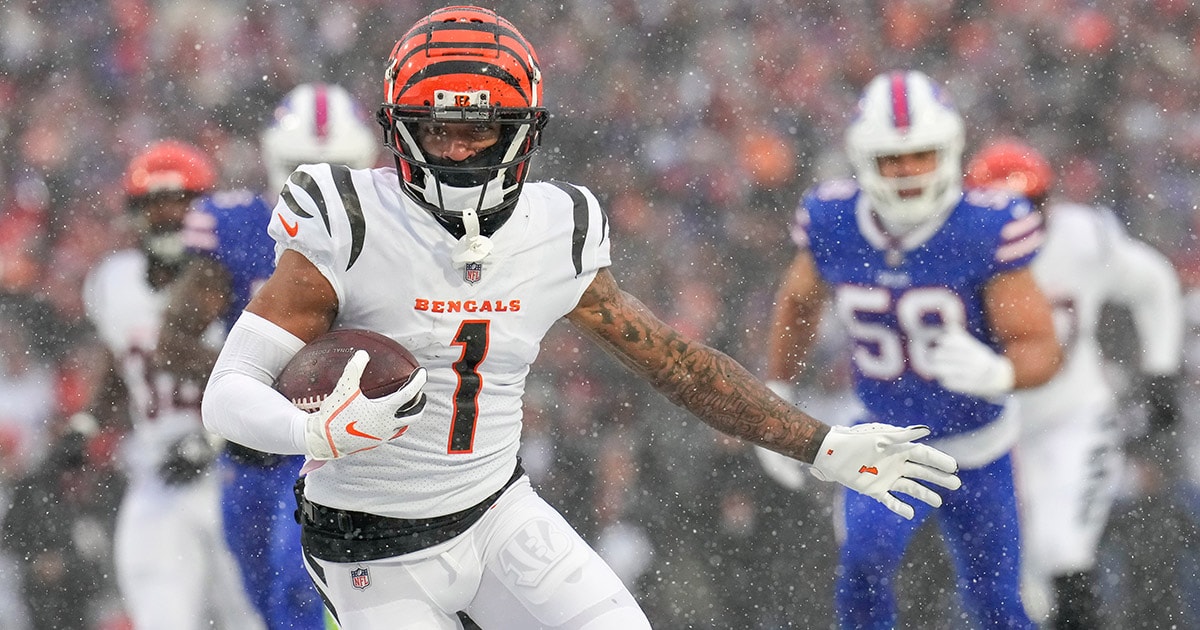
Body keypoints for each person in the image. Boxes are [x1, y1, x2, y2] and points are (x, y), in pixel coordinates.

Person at [200, 8, 961, 629]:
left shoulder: (557, 227)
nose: (461, 148)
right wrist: (312, 435)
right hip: (366, 543)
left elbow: (678, 365)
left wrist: (820, 444)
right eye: (439, 129)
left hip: (497, 512)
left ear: (524, 128)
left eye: (482, 129)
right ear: (401, 128)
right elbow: (228, 391)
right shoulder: (350, 220)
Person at [757, 70, 1062, 629]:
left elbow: (1041, 348)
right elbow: (798, 306)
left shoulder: (987, 226)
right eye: (892, 159)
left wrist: (999, 370)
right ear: (862, 159)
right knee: (863, 568)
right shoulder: (833, 221)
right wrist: (776, 395)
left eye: (921, 156)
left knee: (995, 601)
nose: (906, 172)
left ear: (949, 151)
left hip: (980, 442)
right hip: (885, 437)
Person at [160, 82, 378, 630]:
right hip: (253, 449)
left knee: (303, 586)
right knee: (270, 604)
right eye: (306, 164)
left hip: (337, 449)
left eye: (335, 166)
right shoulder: (235, 226)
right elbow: (174, 338)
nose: (321, 179)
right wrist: (258, 382)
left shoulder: (391, 232)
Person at [964, 138, 1185, 629]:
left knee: (1062, 550)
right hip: (994, 432)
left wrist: (1162, 370)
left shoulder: (1082, 238)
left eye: (1032, 204)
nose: (1021, 219)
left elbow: (1154, 284)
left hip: (1074, 416)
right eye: (1005, 208)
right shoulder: (951, 256)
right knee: (1010, 580)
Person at [82, 140, 266, 630]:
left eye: (179, 204)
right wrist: (85, 423)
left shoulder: (231, 276)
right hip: (158, 474)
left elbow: (266, 376)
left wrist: (212, 440)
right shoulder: (113, 282)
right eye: (154, 206)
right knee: (163, 615)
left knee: (254, 616)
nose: (166, 218)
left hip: (237, 469)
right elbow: (120, 359)